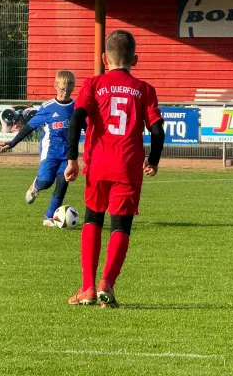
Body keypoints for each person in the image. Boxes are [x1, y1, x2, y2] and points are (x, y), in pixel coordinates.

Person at [64, 29, 165, 308]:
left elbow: (76, 121)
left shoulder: (93, 84)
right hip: (128, 166)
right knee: (121, 225)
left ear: (103, 58)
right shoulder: (145, 89)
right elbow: (157, 131)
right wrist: (153, 160)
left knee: (93, 220)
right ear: (135, 59)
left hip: (98, 164)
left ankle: (86, 287)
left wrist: (72, 158)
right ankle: (107, 283)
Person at [0, 70, 76, 227]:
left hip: (67, 153)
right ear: (55, 86)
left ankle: (49, 218)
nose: (64, 92)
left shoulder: (76, 107)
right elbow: (29, 127)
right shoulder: (48, 107)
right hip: (50, 151)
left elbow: (89, 128)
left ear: (73, 87)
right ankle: (35, 186)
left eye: (68, 88)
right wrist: (12, 143)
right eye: (61, 88)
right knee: (46, 182)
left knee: (62, 183)